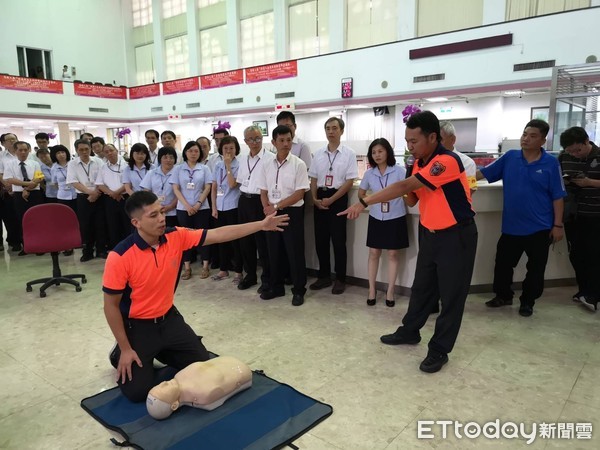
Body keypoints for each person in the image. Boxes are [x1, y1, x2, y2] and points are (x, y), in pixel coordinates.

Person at [102, 190, 288, 402]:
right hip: (138, 326)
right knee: (138, 392)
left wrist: (261, 225)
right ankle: (119, 353)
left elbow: (218, 234)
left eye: (162, 212)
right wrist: (126, 349)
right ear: (136, 222)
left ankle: (160, 350)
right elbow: (110, 306)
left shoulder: (176, 236)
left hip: (168, 318)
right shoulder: (120, 256)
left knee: (200, 363)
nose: (162, 219)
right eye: (153, 216)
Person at [341, 110, 477, 374]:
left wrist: (367, 200)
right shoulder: (418, 164)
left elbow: (406, 189)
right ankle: (409, 331)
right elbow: (412, 198)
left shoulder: (446, 161)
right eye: (407, 141)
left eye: (414, 141)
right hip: (430, 233)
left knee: (451, 297)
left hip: (456, 236)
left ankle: (439, 350)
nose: (409, 146)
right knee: (422, 289)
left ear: (433, 137)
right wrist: (397, 186)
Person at [477, 119, 566, 317]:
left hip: (540, 227)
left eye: (532, 136)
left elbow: (558, 196)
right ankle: (503, 295)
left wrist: (558, 225)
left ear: (543, 140)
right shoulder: (510, 157)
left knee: (535, 268)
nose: (526, 139)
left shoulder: (550, 163)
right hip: (511, 227)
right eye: (525, 134)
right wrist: (455, 181)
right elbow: (482, 174)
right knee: (502, 264)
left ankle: (528, 301)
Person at [257, 125, 310, 306]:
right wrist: (267, 208)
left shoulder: (299, 164)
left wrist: (276, 206)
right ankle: (276, 286)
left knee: (294, 252)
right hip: (271, 211)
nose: (286, 144)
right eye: (281, 140)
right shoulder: (266, 164)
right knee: (274, 251)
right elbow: (263, 190)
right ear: (273, 142)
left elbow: (299, 194)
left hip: (291, 212)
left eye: (288, 140)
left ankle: (298, 290)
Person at [308, 117, 358, 295]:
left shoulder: (349, 154)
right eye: (328, 128)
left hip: (338, 199)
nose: (331, 131)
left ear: (341, 131)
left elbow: (349, 181)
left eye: (334, 128)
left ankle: (340, 279)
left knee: (338, 241)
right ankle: (323, 276)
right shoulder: (318, 153)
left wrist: (332, 199)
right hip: (319, 198)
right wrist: (314, 198)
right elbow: (313, 178)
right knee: (320, 240)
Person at [358, 138, 409, 307]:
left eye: (380, 151)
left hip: (396, 216)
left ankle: (390, 291)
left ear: (387, 151)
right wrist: (371, 201)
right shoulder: (369, 173)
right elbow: (361, 193)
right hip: (376, 217)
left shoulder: (400, 171)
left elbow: (409, 192)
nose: (377, 155)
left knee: (393, 254)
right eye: (374, 152)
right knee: (374, 253)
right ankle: (371, 290)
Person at [558, 126, 600, 311]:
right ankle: (583, 290)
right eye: (570, 151)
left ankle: (594, 294)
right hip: (573, 214)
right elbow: (556, 178)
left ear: (586, 141)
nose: (574, 154)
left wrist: (590, 183)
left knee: (594, 255)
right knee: (576, 254)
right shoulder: (564, 157)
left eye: (578, 150)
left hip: (595, 214)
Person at [146, 356, 252, 419]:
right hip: (240, 370)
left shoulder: (179, 376)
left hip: (228, 361)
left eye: (159, 385)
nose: (163, 383)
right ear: (174, 405)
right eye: (163, 390)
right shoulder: (202, 394)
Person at [236, 126, 272, 292]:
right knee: (245, 242)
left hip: (260, 202)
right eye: (251, 139)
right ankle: (250, 275)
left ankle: (267, 278)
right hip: (244, 201)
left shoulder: (270, 158)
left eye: (258, 138)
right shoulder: (242, 159)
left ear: (262, 138)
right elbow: (241, 181)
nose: (255, 142)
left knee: (263, 243)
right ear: (245, 141)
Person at [171, 141, 212, 280]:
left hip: (202, 208)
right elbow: (176, 188)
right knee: (185, 238)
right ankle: (187, 267)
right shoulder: (178, 169)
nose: (193, 153)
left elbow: (207, 187)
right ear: (185, 153)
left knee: (203, 237)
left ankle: (205, 266)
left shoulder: (204, 168)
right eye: (190, 151)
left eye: (196, 151)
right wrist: (187, 206)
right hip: (183, 209)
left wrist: (198, 204)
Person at [66, 138, 107, 261]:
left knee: (100, 224)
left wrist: (96, 193)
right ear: (77, 151)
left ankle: (101, 250)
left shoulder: (98, 161)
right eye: (81, 150)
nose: (84, 152)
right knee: (85, 225)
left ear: (90, 149)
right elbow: (73, 182)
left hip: (99, 195)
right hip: (84, 197)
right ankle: (87, 251)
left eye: (87, 149)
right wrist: (90, 192)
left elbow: (103, 179)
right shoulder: (72, 164)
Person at [4, 141, 45, 255]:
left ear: (29, 150)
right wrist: (26, 185)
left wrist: (27, 189)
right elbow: (10, 179)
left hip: (35, 194)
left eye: (25, 150)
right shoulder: (10, 164)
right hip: (18, 196)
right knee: (22, 220)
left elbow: (39, 178)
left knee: (37, 220)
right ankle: (26, 246)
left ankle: (39, 246)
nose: (23, 152)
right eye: (20, 150)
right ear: (15, 151)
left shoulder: (34, 163)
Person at [211, 136, 242, 283]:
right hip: (220, 206)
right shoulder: (217, 165)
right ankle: (223, 270)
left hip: (233, 206)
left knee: (236, 240)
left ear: (236, 149)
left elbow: (231, 185)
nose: (228, 151)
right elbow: (214, 187)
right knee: (221, 238)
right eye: (225, 148)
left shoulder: (239, 164)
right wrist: (214, 207)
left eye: (231, 148)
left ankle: (238, 271)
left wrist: (229, 166)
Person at [95, 144, 129, 250]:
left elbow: (129, 182)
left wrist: (117, 192)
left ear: (116, 150)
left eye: (111, 150)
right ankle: (116, 249)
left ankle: (129, 248)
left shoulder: (127, 165)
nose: (109, 153)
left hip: (125, 197)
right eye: (106, 151)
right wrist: (112, 194)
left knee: (127, 224)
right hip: (110, 199)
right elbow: (100, 184)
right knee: (112, 225)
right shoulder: (103, 167)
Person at [140, 146, 179, 228]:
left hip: (174, 212)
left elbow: (181, 192)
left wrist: (171, 206)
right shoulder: (152, 173)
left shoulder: (179, 172)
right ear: (160, 159)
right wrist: (155, 206)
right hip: (155, 212)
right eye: (165, 157)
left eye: (171, 157)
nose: (168, 160)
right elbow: (146, 192)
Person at [439, 121, 477, 193]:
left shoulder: (468, 163)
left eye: (440, 140)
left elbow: (470, 190)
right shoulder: (429, 161)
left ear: (453, 139)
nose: (437, 144)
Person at [0, 133, 22, 253]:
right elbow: (0, 174)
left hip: (24, 190)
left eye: (14, 138)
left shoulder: (23, 152)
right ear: (3, 143)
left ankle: (27, 240)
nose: (12, 141)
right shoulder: (1, 156)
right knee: (11, 218)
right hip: (9, 191)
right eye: (9, 140)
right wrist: (9, 186)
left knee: (23, 216)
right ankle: (15, 242)